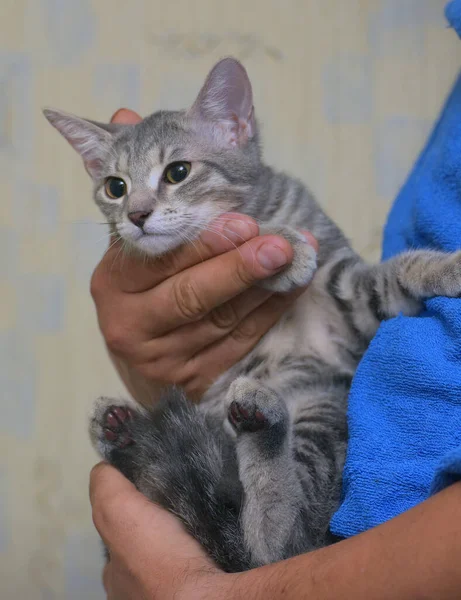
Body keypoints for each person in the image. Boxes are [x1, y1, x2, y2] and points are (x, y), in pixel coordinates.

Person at [89, 109, 461, 600]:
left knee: (316, 423)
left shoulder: (288, 203)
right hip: (246, 429)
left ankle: (260, 477)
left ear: (234, 131)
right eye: (116, 187)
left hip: (322, 424)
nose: (137, 208)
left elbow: (360, 296)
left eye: (175, 173)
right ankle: (214, 468)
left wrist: (424, 274)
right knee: (188, 470)